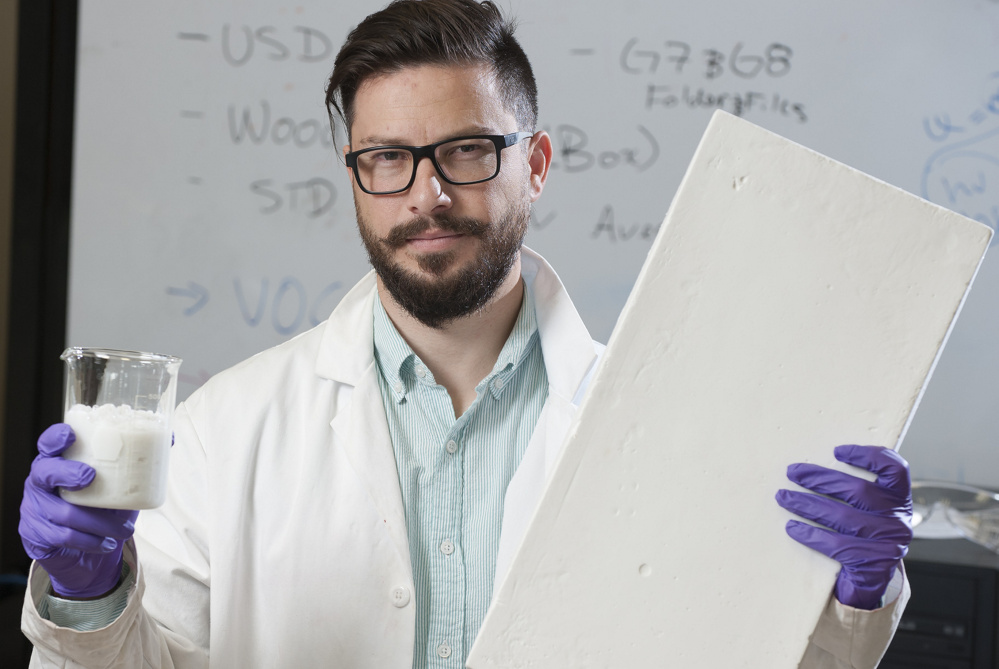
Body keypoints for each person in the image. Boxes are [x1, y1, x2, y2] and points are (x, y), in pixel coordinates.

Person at [18, 1, 912, 667]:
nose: (427, 193)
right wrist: (89, 596)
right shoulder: (227, 428)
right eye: (388, 159)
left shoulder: (664, 424)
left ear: (534, 164)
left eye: (467, 150)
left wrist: (844, 601)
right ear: (356, 174)